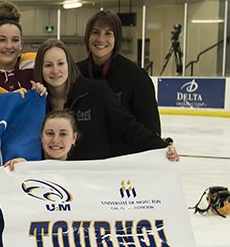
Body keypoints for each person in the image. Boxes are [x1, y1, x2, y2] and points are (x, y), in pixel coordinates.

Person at [34, 39, 176, 161]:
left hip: (94, 181)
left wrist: (161, 146)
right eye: (48, 65)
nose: (55, 70)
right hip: (51, 181)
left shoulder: (97, 92)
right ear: (40, 69)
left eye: (60, 63)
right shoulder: (35, 102)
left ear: (69, 65)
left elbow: (127, 127)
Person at [76, 9, 162, 154]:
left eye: (108, 33)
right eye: (95, 32)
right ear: (88, 36)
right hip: (85, 161)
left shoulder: (136, 77)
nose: (101, 39)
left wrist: (161, 145)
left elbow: (150, 128)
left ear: (117, 38)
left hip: (121, 163)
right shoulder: (75, 73)